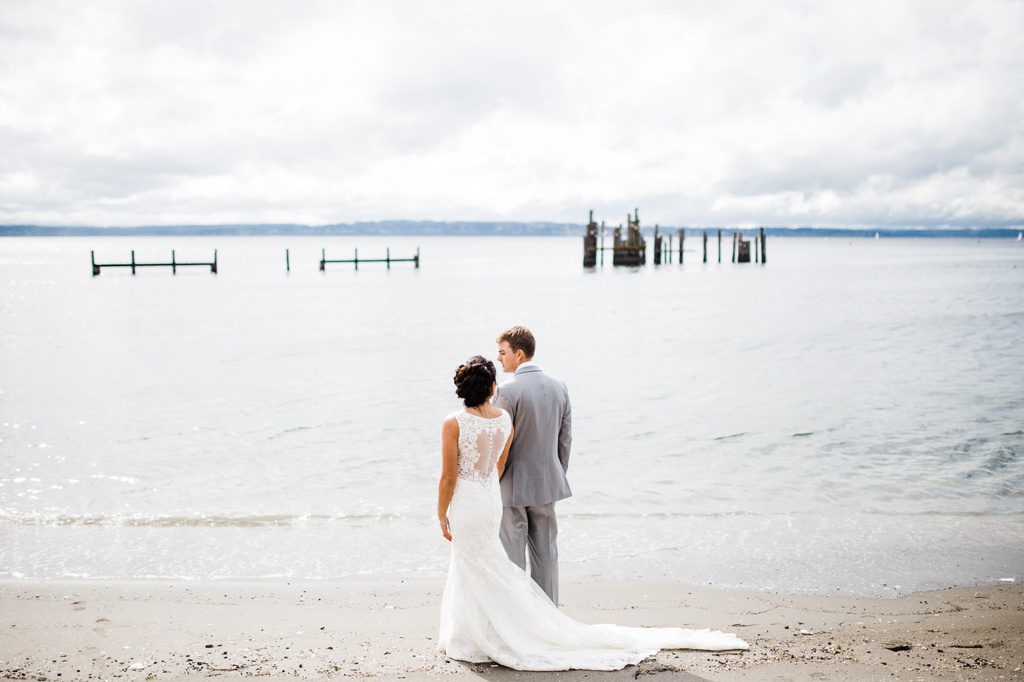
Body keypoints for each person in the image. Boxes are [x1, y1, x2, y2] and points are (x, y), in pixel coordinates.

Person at [436, 355, 748, 671]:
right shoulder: (503, 419)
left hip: (468, 501)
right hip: (489, 499)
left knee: (471, 563)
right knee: (485, 562)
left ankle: (473, 635)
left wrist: (440, 513)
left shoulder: (454, 422)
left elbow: (449, 477)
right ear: (491, 387)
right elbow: (498, 467)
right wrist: (484, 488)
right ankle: (488, 629)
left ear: (462, 389)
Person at [492, 326, 572, 605]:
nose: (499, 358)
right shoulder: (559, 386)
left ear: (519, 353)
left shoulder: (506, 391)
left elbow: (501, 442)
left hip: (512, 485)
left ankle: (519, 618)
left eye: (503, 352)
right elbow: (565, 440)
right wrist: (556, 473)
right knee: (547, 552)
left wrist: (494, 481)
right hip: (548, 481)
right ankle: (550, 615)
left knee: (512, 556)